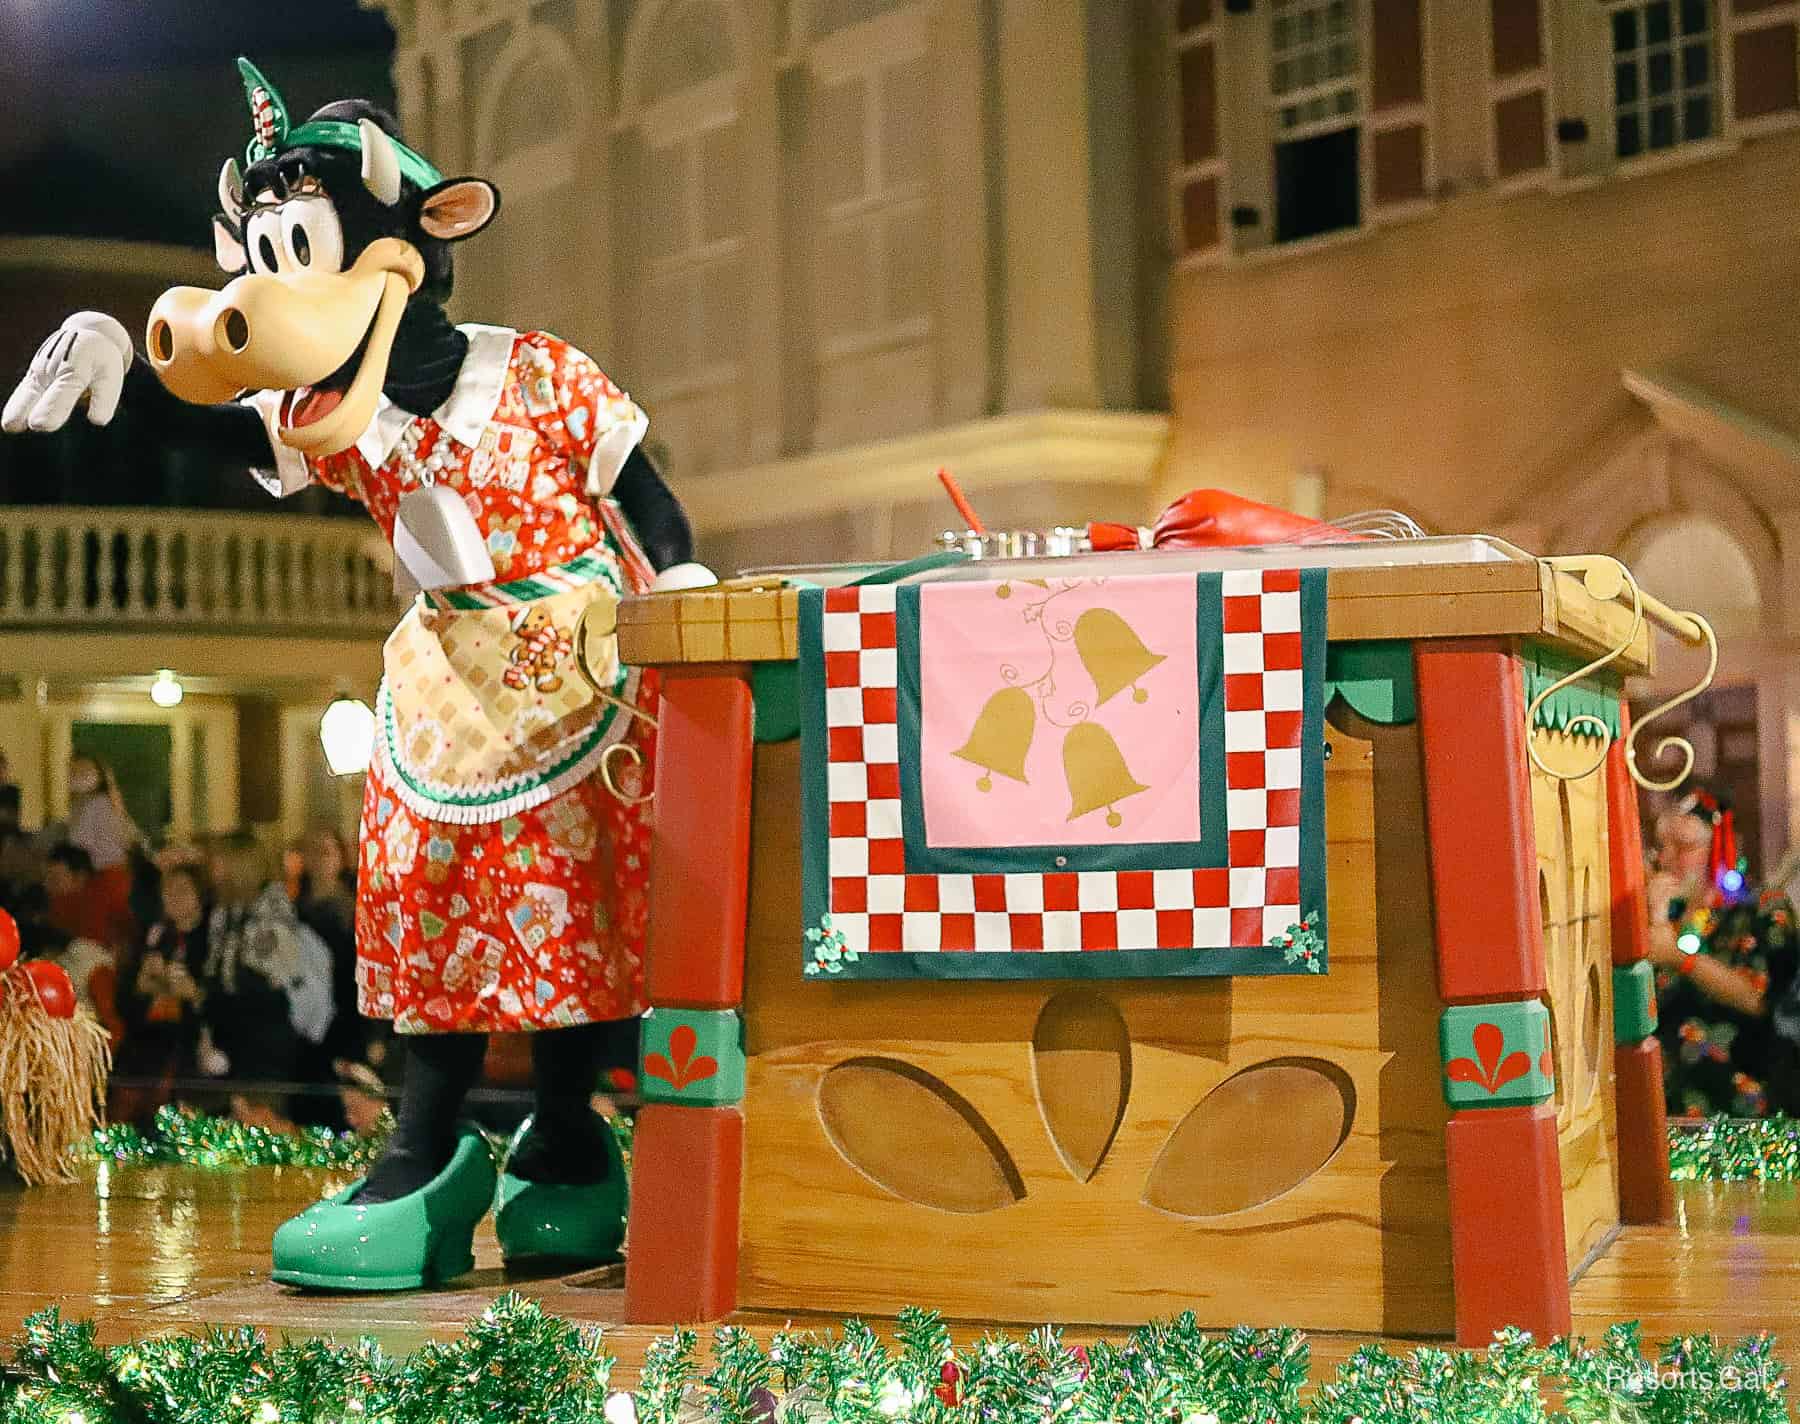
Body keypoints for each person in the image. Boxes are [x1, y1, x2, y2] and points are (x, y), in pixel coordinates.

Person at [0, 56, 711, 1291]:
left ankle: (567, 1141)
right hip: (444, 670)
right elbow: (226, 417)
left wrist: (689, 587)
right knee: (423, 887)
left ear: (414, 245)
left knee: (578, 904)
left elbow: (640, 489)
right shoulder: (349, 411)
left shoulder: (537, 370)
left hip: (580, 668)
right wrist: (126, 364)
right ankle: (426, 1149)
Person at [1646, 788, 1800, 1118]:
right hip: (1669, 1111)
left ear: (1718, 848)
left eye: (1684, 847)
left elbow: (1756, 997)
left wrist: (1680, 958)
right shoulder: (1667, 916)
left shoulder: (1761, 908)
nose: (1668, 858)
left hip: (1742, 1111)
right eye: (1664, 845)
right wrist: (1655, 913)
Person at [200, 834, 335, 1124]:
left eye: (221, 862)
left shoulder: (271, 917)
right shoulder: (226, 914)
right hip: (235, 1050)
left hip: (265, 1052)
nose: (214, 870)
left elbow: (268, 987)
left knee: (264, 1129)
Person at [111, 862, 211, 1128]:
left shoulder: (210, 939)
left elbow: (208, 999)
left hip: (184, 1061)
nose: (172, 897)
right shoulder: (154, 936)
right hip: (143, 1057)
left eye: (182, 890)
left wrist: (190, 992)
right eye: (167, 890)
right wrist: (142, 985)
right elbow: (125, 999)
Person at [63, 756, 140, 944]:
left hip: (106, 878)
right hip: (108, 877)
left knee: (98, 936)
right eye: (74, 772)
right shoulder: (92, 804)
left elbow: (80, 844)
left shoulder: (97, 804)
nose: (78, 777)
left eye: (84, 772)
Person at [43, 842, 134, 950]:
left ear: (80, 878)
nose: (47, 885)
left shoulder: (110, 887)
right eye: (46, 878)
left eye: (55, 880)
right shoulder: (56, 905)